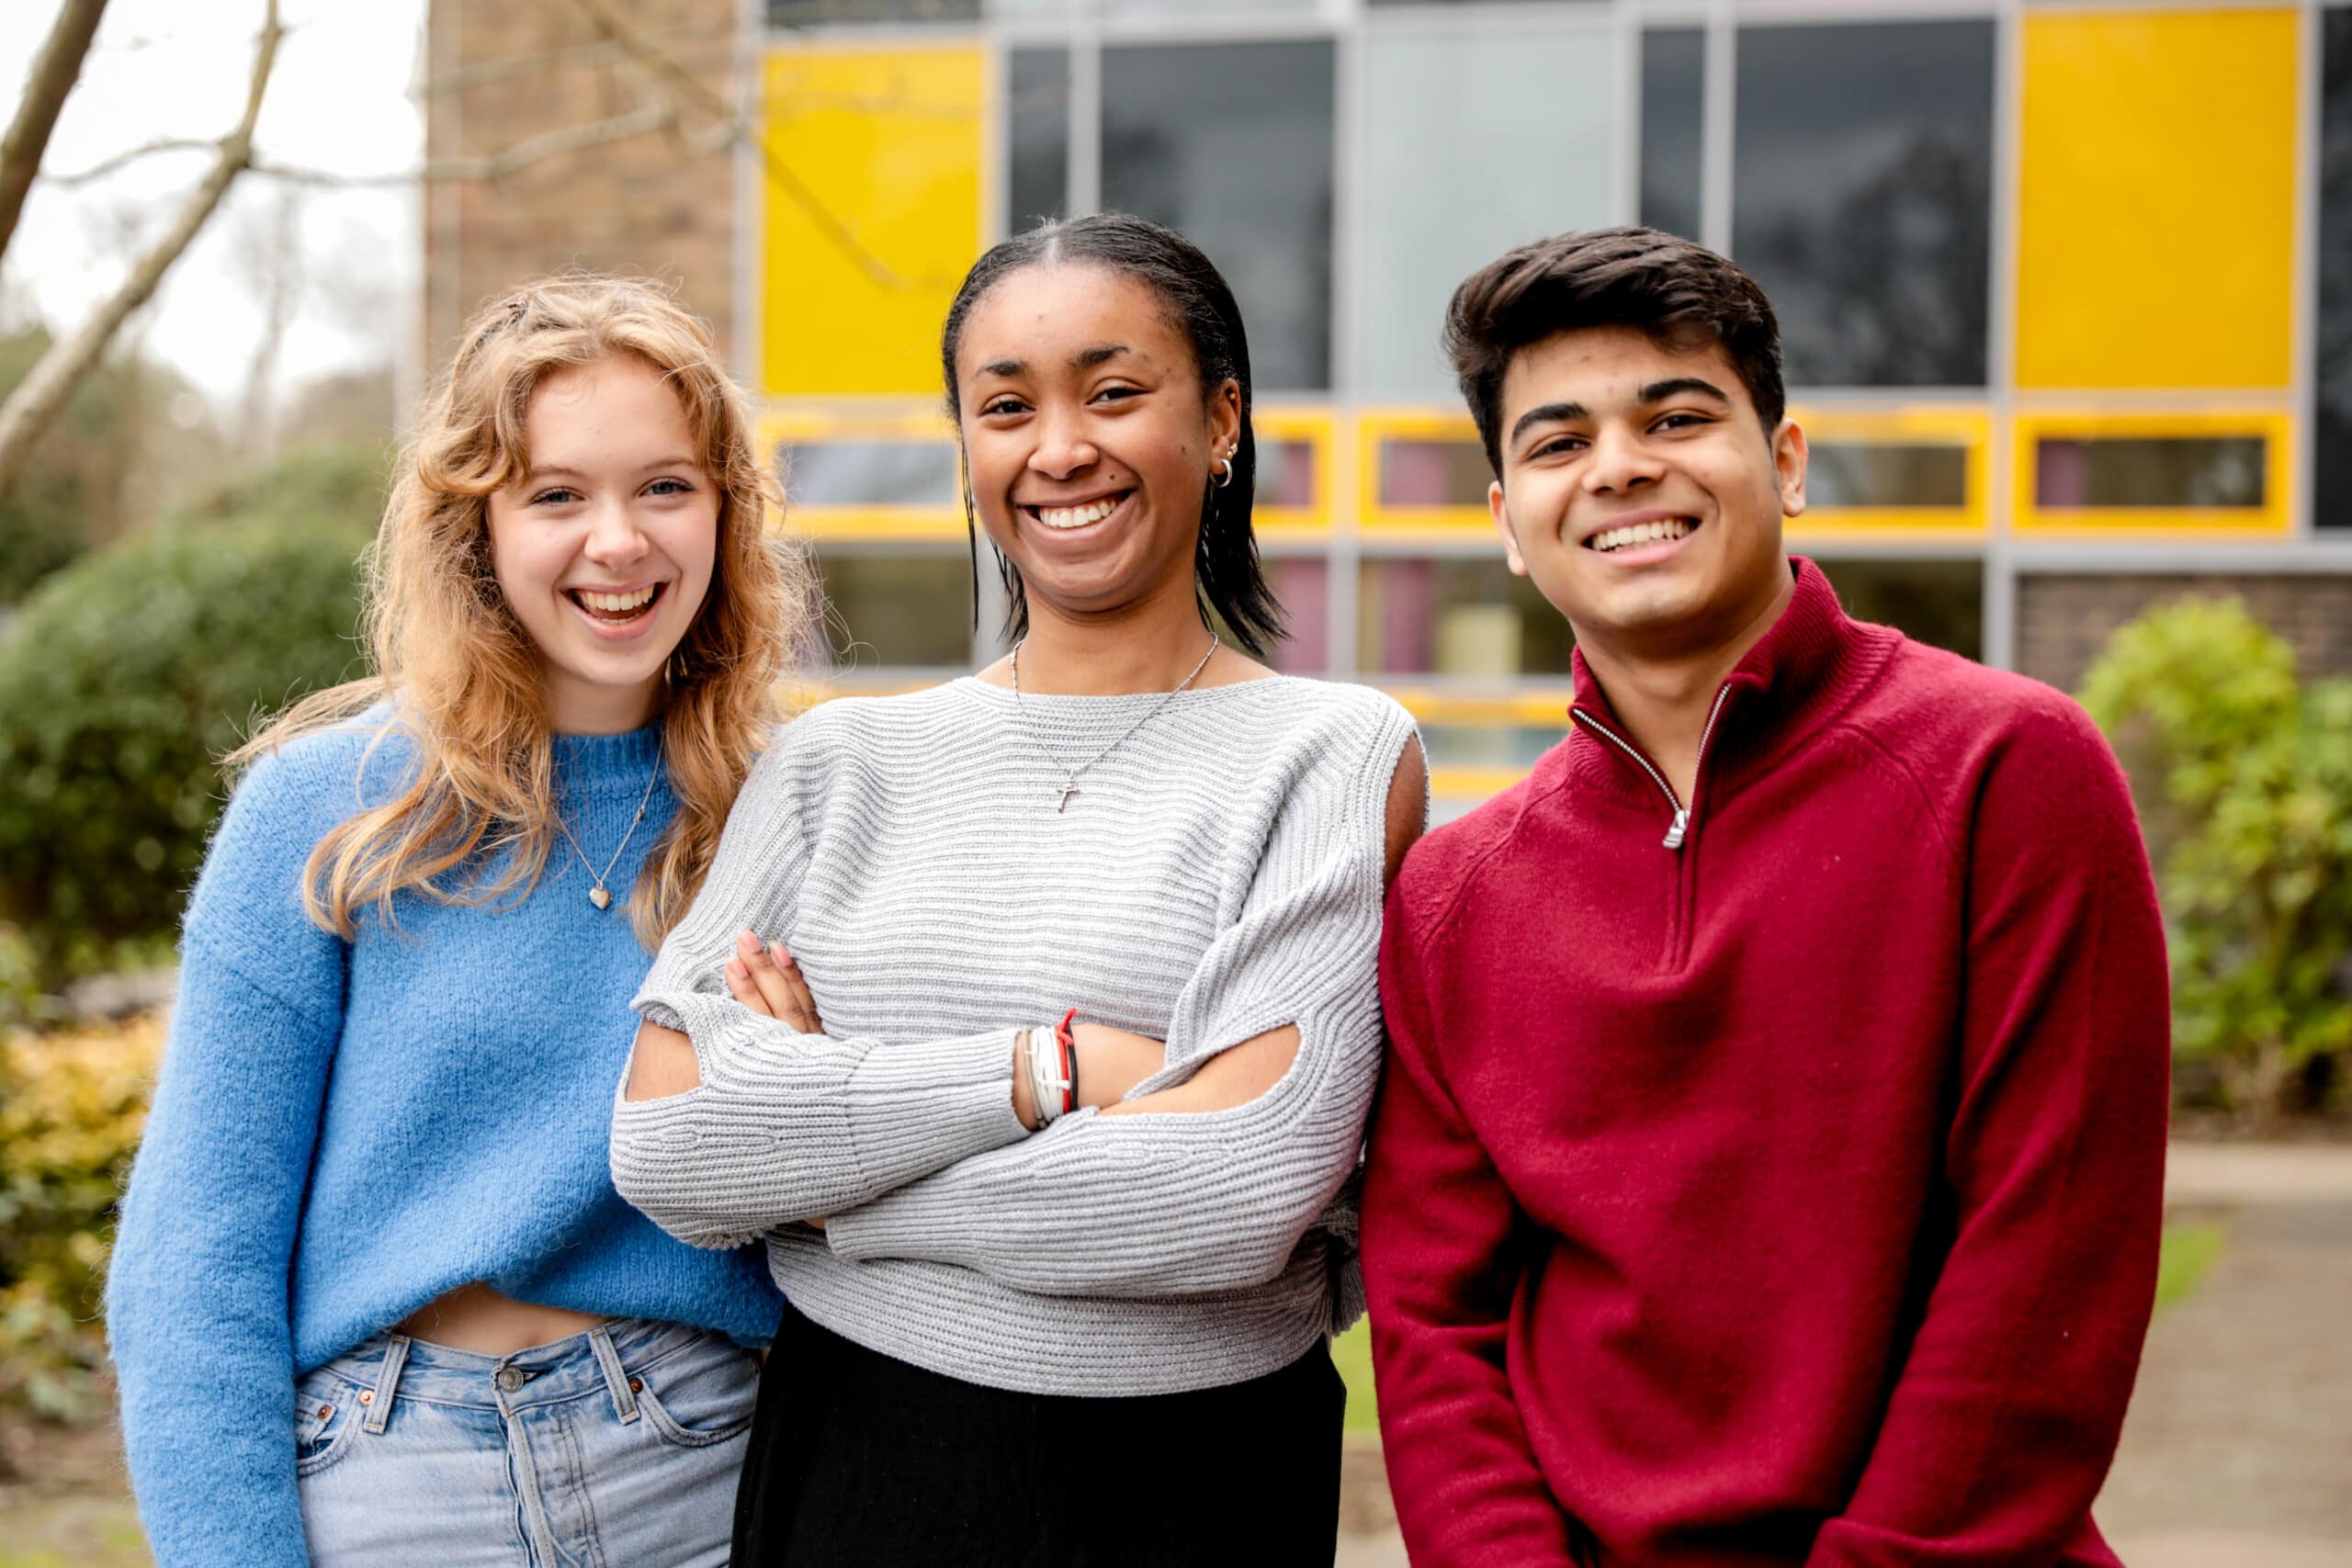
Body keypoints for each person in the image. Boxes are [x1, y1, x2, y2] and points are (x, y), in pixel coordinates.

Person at [612, 212, 1425, 1567]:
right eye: (1006, 407)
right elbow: (669, 1143)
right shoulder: (836, 764)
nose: (1059, 449)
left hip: (1192, 1483)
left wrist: (830, 1176)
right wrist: (1047, 1071)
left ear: (1222, 422)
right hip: (860, 1460)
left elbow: (1237, 1187)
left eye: (1115, 392)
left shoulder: (1332, 755)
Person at [1359, 227, 2171, 1568]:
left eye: (1676, 416)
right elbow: (1437, 1331)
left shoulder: (2006, 772)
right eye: (1557, 443)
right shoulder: (1454, 893)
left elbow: (2045, 1272)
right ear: (1505, 522)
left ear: (1785, 464)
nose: (1620, 465)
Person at [107, 275, 806, 1568]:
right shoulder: (332, 812)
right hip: (385, 1478)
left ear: (724, 514)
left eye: (666, 487)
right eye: (557, 495)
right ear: (475, 524)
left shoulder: (784, 812)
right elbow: (194, 1264)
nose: (620, 542)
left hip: (706, 1461)